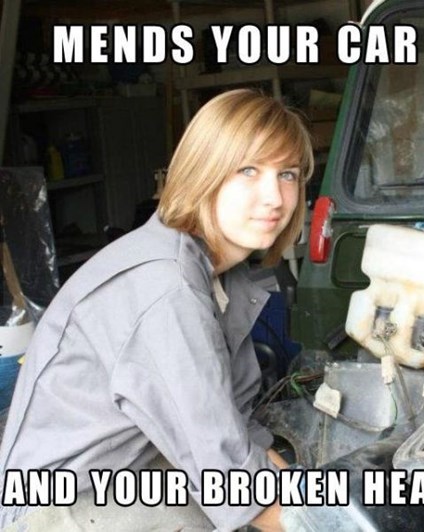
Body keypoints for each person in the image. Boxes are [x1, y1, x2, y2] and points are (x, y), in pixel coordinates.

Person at [0, 88, 314, 531]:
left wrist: (318, 509)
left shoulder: (226, 277)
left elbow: (239, 437)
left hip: (128, 477)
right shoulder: (167, 290)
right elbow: (233, 485)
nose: (275, 198)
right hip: (60, 511)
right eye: (248, 170)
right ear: (204, 172)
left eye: (288, 174)